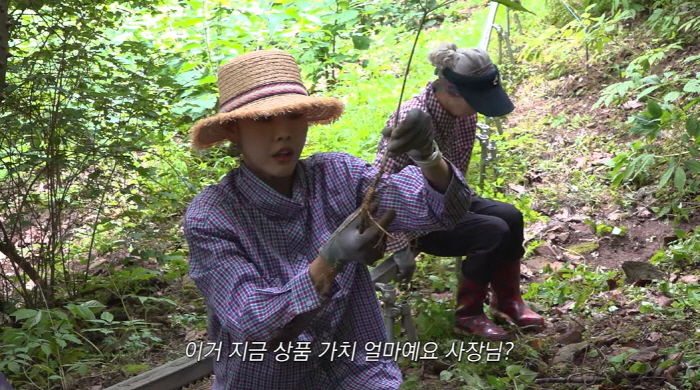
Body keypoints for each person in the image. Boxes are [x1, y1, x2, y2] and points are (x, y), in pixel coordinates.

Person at [183, 49, 473, 390]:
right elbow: (252, 322)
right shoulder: (213, 215)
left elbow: (440, 209)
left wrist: (428, 156)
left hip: (358, 373)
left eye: (293, 115)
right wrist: (329, 260)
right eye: (262, 120)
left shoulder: (337, 175)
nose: (283, 133)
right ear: (233, 130)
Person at [373, 42, 544, 341]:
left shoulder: (465, 114)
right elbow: (380, 186)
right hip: (413, 217)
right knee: (490, 230)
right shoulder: (410, 120)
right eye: (476, 100)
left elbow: (458, 175)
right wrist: (400, 245)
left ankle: (507, 302)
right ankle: (468, 315)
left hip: (451, 198)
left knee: (511, 216)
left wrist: (460, 202)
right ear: (450, 91)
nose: (478, 109)